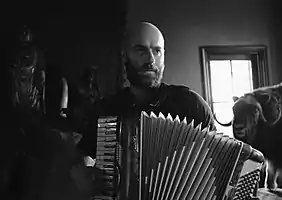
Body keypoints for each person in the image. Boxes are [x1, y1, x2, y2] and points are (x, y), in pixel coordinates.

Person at [79, 21, 217, 198]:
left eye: (157, 51)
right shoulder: (107, 109)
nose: (151, 59)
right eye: (141, 50)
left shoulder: (191, 105)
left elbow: (218, 163)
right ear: (125, 56)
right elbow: (82, 157)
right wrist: (87, 177)